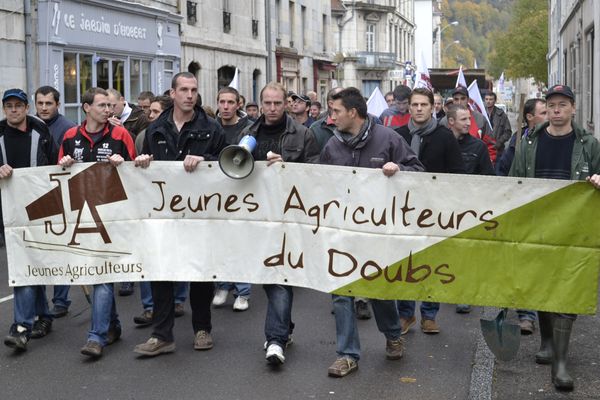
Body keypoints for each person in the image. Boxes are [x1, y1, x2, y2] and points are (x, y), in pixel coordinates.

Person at [321, 87, 424, 377]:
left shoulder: (388, 138)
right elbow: (318, 182)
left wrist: (399, 168)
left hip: (379, 232)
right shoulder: (332, 146)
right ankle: (347, 354)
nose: (332, 117)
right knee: (341, 293)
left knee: (378, 289)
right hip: (343, 231)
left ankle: (393, 335)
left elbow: (419, 170)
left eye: (336, 111)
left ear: (352, 113)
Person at [510, 84, 600, 391]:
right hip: (538, 228)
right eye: (552, 105)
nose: (557, 109)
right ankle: (547, 340)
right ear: (545, 110)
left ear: (573, 109)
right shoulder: (529, 143)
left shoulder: (588, 144)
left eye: (563, 104)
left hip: (575, 231)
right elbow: (514, 183)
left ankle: (561, 363)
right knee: (542, 286)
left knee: (568, 290)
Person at [133, 72, 226, 357]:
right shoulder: (156, 128)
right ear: (172, 93)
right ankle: (162, 335)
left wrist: (206, 160)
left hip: (200, 214)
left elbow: (226, 163)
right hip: (165, 215)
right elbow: (146, 168)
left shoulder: (211, 127)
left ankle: (202, 328)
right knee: (161, 272)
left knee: (200, 273)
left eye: (194, 90)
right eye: (184, 90)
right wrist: (143, 162)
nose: (190, 95)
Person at [240, 81, 320, 366]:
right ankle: (283, 329)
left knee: (279, 277)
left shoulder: (303, 134)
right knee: (267, 276)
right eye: (268, 103)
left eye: (277, 103)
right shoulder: (248, 133)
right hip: (257, 216)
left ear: (286, 103)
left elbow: (316, 174)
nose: (272, 108)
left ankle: (275, 339)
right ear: (260, 104)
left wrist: (287, 165)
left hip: (289, 216)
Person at [58, 87, 136, 358]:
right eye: (102, 105)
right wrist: (64, 163)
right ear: (86, 107)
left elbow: (137, 172)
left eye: (110, 106)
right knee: (99, 276)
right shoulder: (69, 136)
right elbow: (56, 176)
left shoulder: (121, 134)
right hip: (81, 218)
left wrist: (122, 163)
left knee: (102, 276)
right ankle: (112, 325)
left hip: (112, 217)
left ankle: (96, 337)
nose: (108, 110)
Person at [395, 88, 465, 334]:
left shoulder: (444, 136)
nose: (419, 109)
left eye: (424, 104)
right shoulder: (398, 135)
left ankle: (429, 314)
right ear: (409, 107)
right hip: (404, 210)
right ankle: (405, 314)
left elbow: (458, 173)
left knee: (432, 262)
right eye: (415, 104)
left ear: (432, 107)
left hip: (436, 210)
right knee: (404, 262)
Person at [2, 88, 57, 351]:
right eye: (8, 106)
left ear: (26, 108)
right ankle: (37, 318)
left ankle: (24, 325)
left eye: (17, 106)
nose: (13, 110)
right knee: (25, 263)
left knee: (30, 262)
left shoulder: (41, 132)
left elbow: (56, 163)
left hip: (39, 206)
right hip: (9, 210)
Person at [34, 85, 76, 318]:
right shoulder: (30, 126)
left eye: (48, 103)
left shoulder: (68, 129)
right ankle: (39, 303)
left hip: (62, 194)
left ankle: (61, 299)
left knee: (61, 247)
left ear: (57, 105)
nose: (44, 108)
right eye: (40, 103)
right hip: (36, 194)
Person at [212, 86, 254, 311]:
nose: (226, 107)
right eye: (222, 102)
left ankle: (243, 291)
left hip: (241, 192)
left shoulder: (248, 128)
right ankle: (223, 284)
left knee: (240, 242)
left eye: (230, 102)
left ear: (238, 104)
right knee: (219, 241)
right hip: (216, 194)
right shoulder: (211, 127)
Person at [439, 87, 496, 164]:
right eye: (456, 99)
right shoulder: (444, 121)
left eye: (463, 99)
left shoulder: (480, 119)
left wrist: (488, 163)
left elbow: (490, 145)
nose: (459, 102)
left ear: (468, 100)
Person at [484, 90, 512, 158]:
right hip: (483, 149)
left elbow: (508, 132)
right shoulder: (481, 113)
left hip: (498, 151)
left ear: (495, 100)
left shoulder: (501, 115)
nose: (488, 101)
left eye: (491, 99)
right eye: (486, 99)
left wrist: (499, 142)